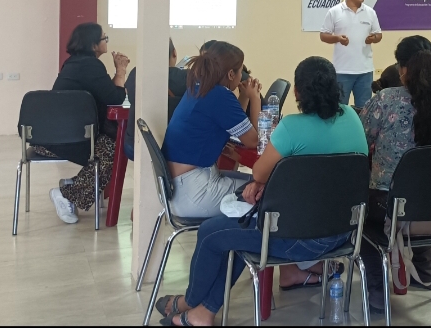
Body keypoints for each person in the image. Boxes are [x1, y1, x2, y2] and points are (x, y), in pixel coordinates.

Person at [155, 57, 369, 326]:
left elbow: (258, 172)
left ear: (297, 92)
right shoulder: (352, 118)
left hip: (294, 239)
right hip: (343, 235)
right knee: (240, 229)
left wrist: (261, 182)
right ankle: (202, 313)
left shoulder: (291, 127)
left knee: (212, 232)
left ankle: (190, 302)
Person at [359, 36, 431, 310]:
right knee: (420, 192)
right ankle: (424, 270)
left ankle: (377, 289)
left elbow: (360, 142)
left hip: (389, 208)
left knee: (363, 212)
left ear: (403, 69)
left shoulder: (385, 101)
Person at [37, 22, 128, 225]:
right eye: (104, 38)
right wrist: (121, 71)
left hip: (49, 135)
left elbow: (108, 94)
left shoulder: (74, 63)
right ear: (94, 45)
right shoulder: (90, 66)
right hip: (63, 139)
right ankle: (66, 194)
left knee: (110, 146)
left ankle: (73, 185)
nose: (106, 41)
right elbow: (116, 99)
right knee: (114, 149)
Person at [160, 42, 260, 219]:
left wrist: (244, 96)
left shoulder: (199, 88)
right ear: (231, 74)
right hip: (195, 192)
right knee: (266, 191)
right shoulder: (220, 96)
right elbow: (253, 140)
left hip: (178, 188)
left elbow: (234, 123)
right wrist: (255, 98)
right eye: (240, 71)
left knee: (257, 184)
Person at [320, 0, 382, 109]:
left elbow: (378, 35)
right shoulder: (334, 12)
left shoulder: (370, 12)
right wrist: (337, 38)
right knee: (339, 110)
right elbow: (323, 35)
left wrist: (374, 38)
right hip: (342, 70)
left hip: (365, 71)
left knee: (365, 111)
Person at [123, 38, 189, 160]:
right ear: (174, 53)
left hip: (133, 144)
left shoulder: (136, 73)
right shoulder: (185, 77)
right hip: (170, 146)